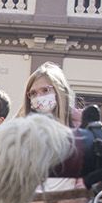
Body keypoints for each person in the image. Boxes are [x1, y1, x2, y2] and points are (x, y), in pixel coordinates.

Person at [16, 63, 83, 192]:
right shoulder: (20, 132)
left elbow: (86, 176)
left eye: (45, 90)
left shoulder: (81, 129)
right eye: (33, 93)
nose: (39, 97)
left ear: (59, 90)